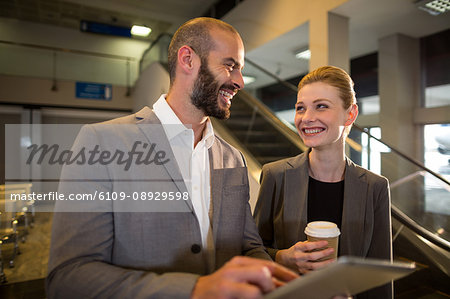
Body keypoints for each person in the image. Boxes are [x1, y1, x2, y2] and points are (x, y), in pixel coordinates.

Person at [46, 17, 298, 299]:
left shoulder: (233, 158)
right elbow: (68, 276)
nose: (239, 81)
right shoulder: (99, 142)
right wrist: (194, 290)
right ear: (188, 59)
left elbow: (250, 247)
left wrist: (284, 286)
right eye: (230, 65)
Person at [254, 66, 393, 299]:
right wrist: (282, 258)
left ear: (350, 114)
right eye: (300, 108)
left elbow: (379, 275)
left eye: (321, 106)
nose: (306, 118)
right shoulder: (275, 175)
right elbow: (251, 251)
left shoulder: (374, 187)